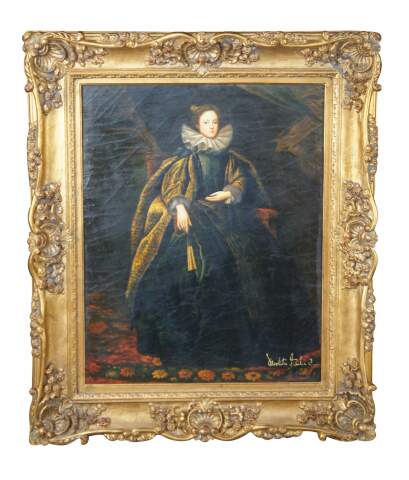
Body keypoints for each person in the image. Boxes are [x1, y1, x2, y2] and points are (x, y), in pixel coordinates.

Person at [125, 103, 319, 368]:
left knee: (260, 261)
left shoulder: (230, 158)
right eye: (206, 123)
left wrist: (229, 192)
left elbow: (240, 180)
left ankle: (251, 344)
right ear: (197, 126)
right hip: (195, 216)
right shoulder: (184, 160)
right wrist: (179, 206)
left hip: (229, 215)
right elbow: (172, 188)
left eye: (214, 122)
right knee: (180, 266)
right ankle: (187, 347)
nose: (211, 127)